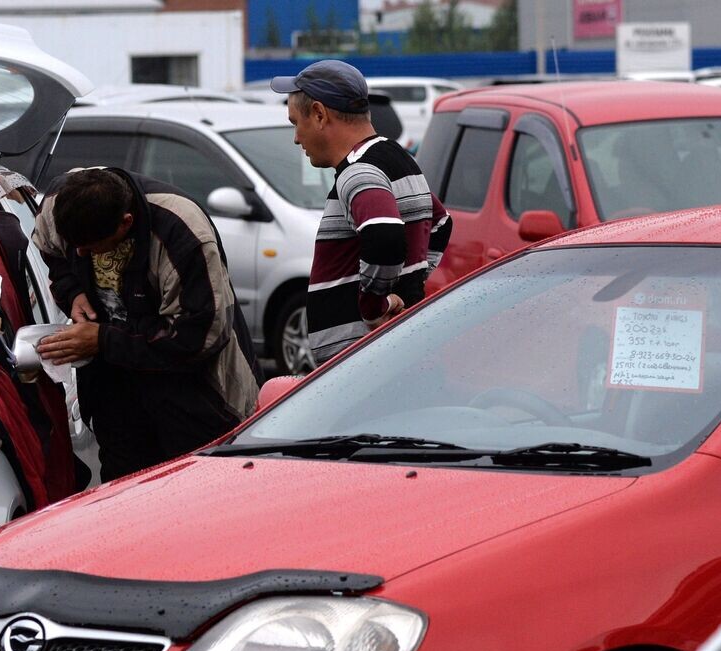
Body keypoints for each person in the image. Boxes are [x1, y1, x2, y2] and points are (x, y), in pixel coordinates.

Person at [32, 167, 260, 481]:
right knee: (125, 493)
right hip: (114, 389)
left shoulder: (182, 234)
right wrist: (74, 291)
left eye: (93, 246)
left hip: (194, 395)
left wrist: (102, 340)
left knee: (191, 493)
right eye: (76, 247)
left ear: (125, 223)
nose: (82, 254)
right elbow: (49, 249)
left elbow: (200, 337)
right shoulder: (58, 206)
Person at [272, 59, 453, 364]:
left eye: (295, 123)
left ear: (318, 114)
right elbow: (441, 224)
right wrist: (410, 286)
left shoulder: (357, 172)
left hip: (362, 364)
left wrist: (374, 307)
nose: (296, 138)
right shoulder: (399, 158)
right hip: (390, 354)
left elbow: (384, 236)